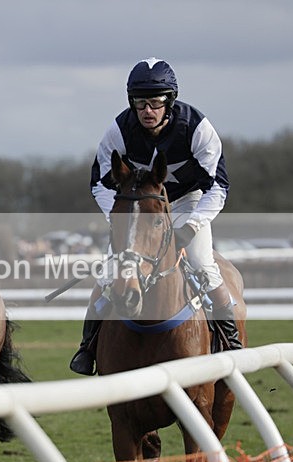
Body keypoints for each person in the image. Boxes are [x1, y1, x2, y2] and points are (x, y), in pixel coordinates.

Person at [69, 58, 243, 375]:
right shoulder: (119, 130)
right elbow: (99, 183)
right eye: (140, 104)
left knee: (203, 262)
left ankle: (231, 340)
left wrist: (192, 224)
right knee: (110, 272)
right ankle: (88, 346)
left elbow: (219, 185)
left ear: (169, 102)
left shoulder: (196, 127)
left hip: (187, 202)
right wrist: (123, 220)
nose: (147, 111)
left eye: (155, 103)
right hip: (141, 208)